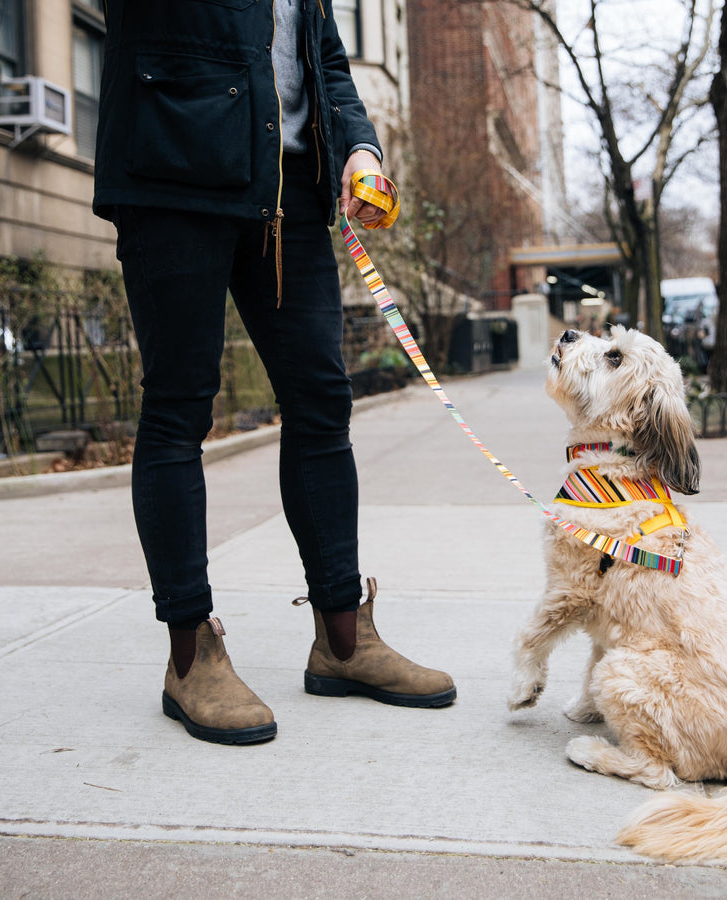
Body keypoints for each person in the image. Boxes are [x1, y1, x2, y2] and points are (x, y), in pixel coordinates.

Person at [93, 0, 455, 745]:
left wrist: (359, 148)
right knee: (178, 409)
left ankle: (343, 641)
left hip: (289, 190)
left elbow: (323, 61)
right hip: (174, 175)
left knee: (323, 402)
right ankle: (191, 656)